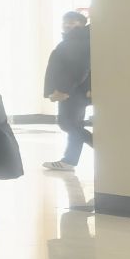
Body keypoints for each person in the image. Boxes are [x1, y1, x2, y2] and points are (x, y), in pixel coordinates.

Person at [43, 10, 92, 172]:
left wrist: (64, 90)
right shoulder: (74, 40)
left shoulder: (77, 41)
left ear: (82, 24)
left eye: (72, 22)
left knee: (68, 123)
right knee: (72, 125)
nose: (67, 24)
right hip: (74, 90)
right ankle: (69, 161)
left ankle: (105, 147)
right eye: (65, 21)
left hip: (73, 91)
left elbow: (77, 69)